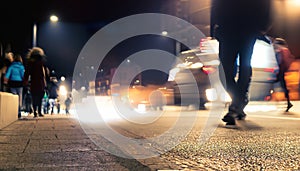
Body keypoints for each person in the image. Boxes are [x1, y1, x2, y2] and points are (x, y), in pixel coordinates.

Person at [210, 0, 272, 127]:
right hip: (228, 28)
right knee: (225, 70)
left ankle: (235, 106)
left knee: (244, 66)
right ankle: (239, 100)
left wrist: (262, 27)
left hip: (247, 28)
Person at [23, 47, 49, 118]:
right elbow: (45, 73)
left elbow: (27, 73)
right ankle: (39, 111)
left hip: (33, 82)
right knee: (40, 97)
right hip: (41, 82)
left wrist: (25, 80)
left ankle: (35, 112)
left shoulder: (30, 62)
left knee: (34, 97)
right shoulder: (41, 62)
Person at [273, 38, 294, 112]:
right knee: (283, 86)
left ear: (279, 44)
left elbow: (282, 62)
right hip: (282, 71)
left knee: (279, 86)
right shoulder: (285, 50)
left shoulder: (282, 51)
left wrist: (280, 72)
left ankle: (286, 102)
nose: (274, 44)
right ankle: (288, 102)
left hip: (281, 71)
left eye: (275, 43)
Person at [4, 54, 25, 119]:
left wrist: (5, 81)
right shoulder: (21, 67)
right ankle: (19, 113)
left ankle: (14, 112)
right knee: (19, 98)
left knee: (14, 97)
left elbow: (7, 74)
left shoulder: (11, 66)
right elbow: (23, 75)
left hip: (12, 83)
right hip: (19, 83)